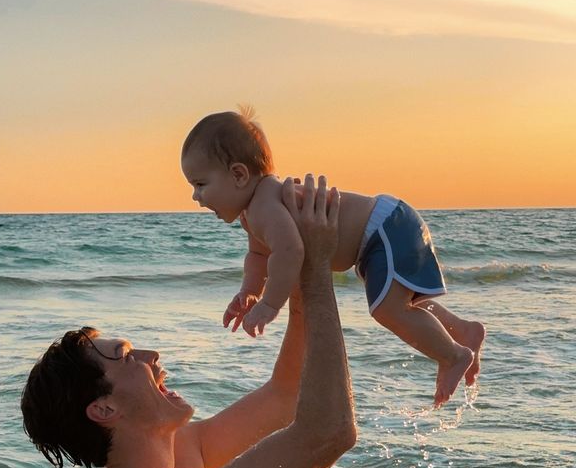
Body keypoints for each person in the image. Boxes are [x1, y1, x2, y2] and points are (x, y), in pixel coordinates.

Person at [21, 176, 356, 468]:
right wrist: (320, 272)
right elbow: (329, 432)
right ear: (103, 410)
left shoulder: (177, 457)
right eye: (126, 357)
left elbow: (285, 395)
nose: (152, 357)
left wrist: (295, 264)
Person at [182, 108, 486, 408]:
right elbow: (259, 256)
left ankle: (453, 355)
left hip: (382, 229)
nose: (196, 197)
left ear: (238, 174)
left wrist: (269, 305)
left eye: (200, 185)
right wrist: (249, 291)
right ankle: (462, 329)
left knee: (387, 310)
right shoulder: (253, 212)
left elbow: (290, 251)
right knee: (400, 304)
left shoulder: (264, 206)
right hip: (383, 229)